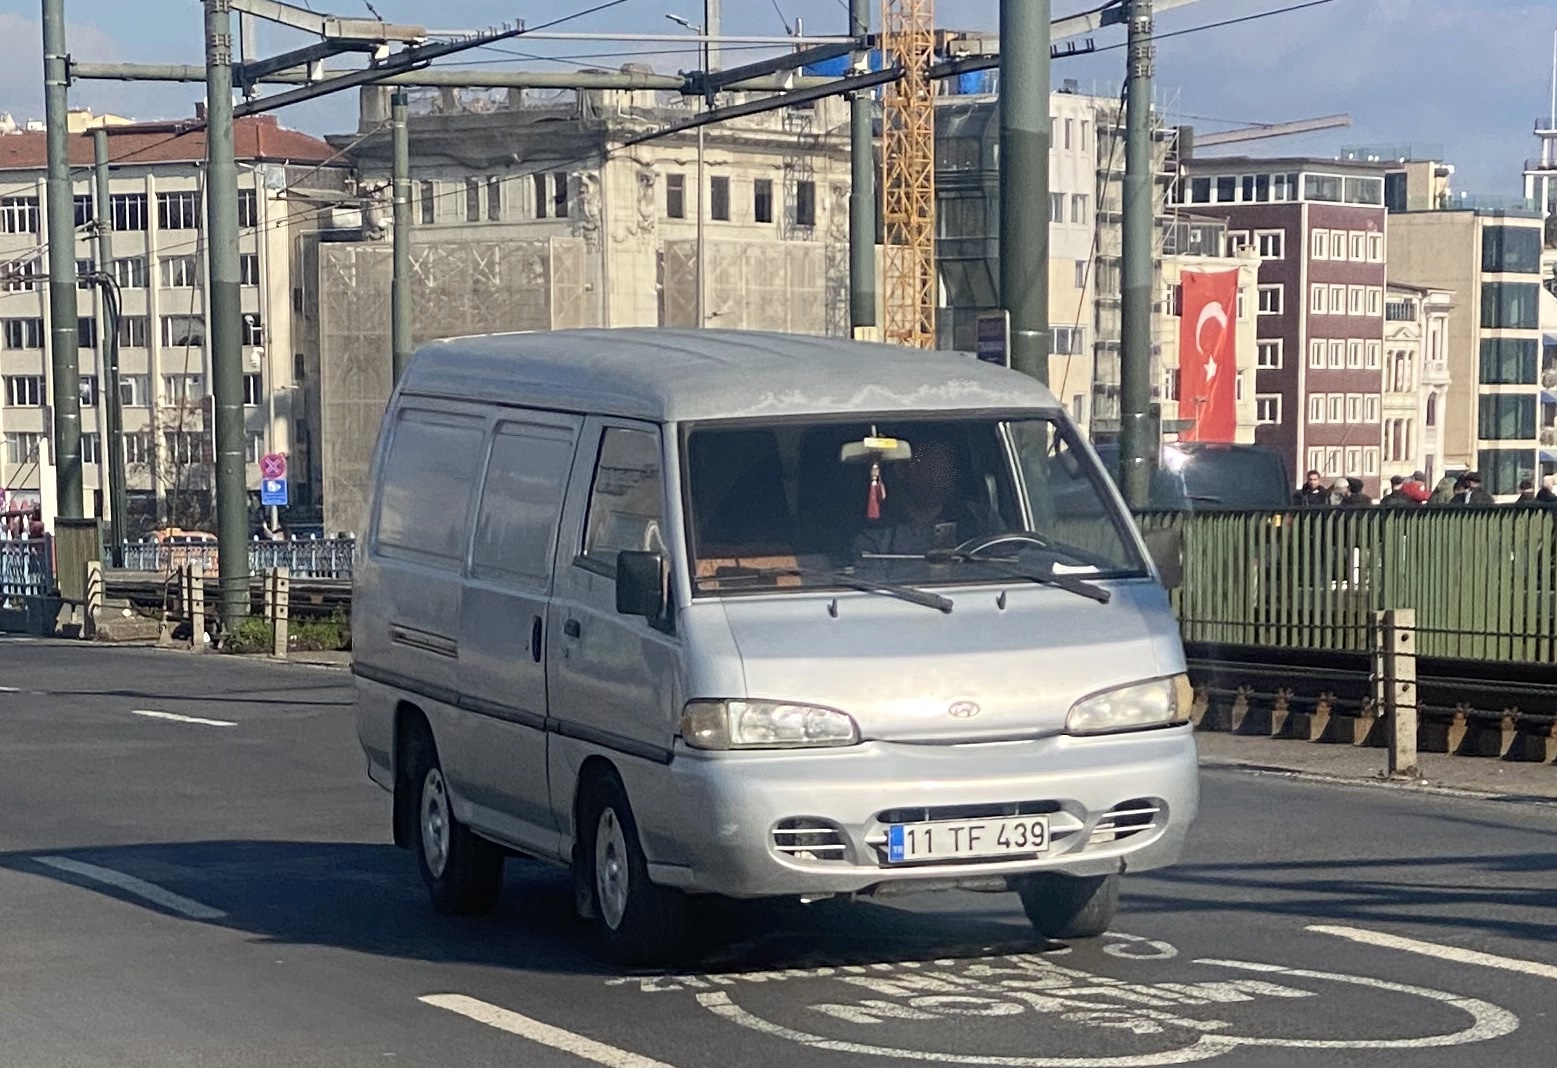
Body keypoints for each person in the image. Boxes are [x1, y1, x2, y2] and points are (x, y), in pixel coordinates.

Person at [856, 440, 986, 558]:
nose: (941, 474)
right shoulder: (876, 533)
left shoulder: (977, 517)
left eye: (946, 466)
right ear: (901, 469)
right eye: (932, 465)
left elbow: (1002, 556)